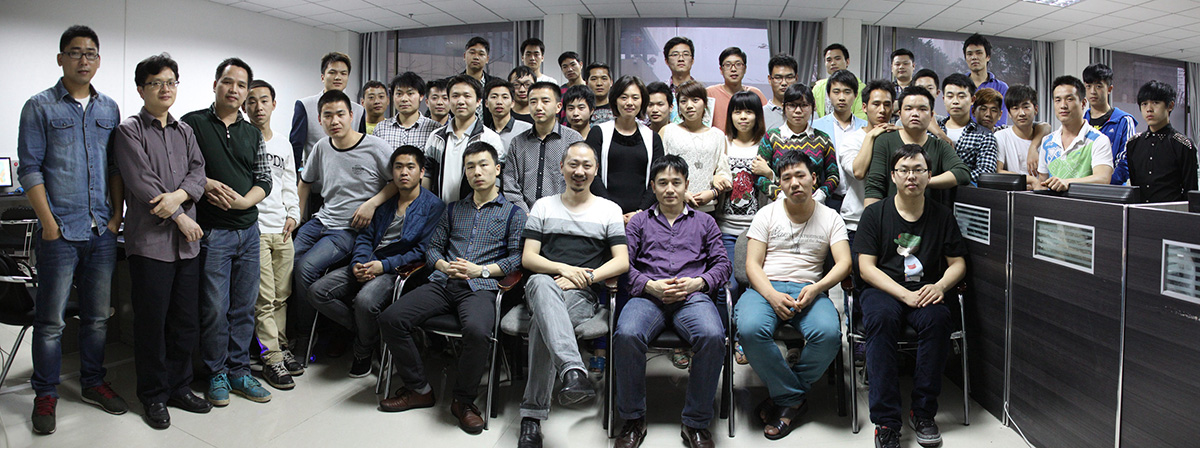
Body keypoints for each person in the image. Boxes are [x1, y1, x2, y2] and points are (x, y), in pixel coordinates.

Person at [18, 25, 127, 434]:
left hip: (101, 231)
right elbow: (29, 168)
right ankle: (45, 393)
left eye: (91, 53)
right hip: (60, 232)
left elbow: (115, 167)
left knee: (97, 317)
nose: (84, 60)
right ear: (61, 58)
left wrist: (115, 217)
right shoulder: (39, 107)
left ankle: (93, 382)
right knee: (51, 322)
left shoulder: (109, 108)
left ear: (98, 60)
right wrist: (49, 224)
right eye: (76, 52)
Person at [376, 142, 526, 436]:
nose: (477, 172)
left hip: (481, 287)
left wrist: (480, 270)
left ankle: (463, 401)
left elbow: (516, 259)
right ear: (465, 173)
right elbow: (433, 248)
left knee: (478, 332)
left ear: (497, 169)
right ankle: (419, 388)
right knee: (391, 318)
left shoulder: (513, 213)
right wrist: (443, 265)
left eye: (483, 165)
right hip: (444, 283)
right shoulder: (453, 209)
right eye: (470, 167)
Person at [112, 53, 210, 429]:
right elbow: (141, 182)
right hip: (150, 244)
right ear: (141, 89)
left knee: (185, 321)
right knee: (151, 323)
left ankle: (180, 387)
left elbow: (198, 172)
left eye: (170, 82)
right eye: (156, 83)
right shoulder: (129, 131)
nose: (165, 89)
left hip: (187, 246)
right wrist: (181, 216)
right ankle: (153, 394)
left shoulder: (185, 131)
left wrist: (180, 198)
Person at [612, 155, 731, 449]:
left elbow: (723, 264)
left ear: (686, 185)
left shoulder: (705, 222)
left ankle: (696, 423)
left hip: (692, 297)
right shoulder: (638, 222)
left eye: (676, 182)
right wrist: (649, 285)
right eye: (662, 183)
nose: (669, 189)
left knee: (713, 335)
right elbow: (624, 266)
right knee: (626, 334)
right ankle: (633, 419)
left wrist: (698, 282)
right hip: (648, 297)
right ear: (652, 186)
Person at [517, 143, 629, 448]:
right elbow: (529, 258)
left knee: (542, 323)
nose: (579, 171)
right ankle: (573, 369)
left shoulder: (609, 209)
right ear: (562, 168)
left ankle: (531, 418)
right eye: (573, 164)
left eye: (586, 165)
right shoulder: (543, 206)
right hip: (543, 285)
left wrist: (587, 277)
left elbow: (622, 261)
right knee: (542, 285)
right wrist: (564, 269)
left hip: (582, 294)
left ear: (596, 170)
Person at [855, 144, 967, 449]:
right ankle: (887, 421)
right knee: (880, 319)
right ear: (893, 176)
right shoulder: (875, 214)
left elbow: (958, 263)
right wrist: (904, 294)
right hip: (883, 290)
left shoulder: (942, 216)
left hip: (926, 289)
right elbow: (866, 268)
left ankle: (923, 413)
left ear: (929, 176)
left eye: (918, 170)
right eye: (904, 170)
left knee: (939, 320)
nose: (911, 176)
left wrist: (940, 287)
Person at [735, 150, 850, 440]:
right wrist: (772, 295)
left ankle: (782, 395)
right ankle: (792, 399)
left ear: (814, 179)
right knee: (749, 330)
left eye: (800, 175)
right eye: (786, 178)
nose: (794, 183)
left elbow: (844, 263)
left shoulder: (831, 217)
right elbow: (752, 265)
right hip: (766, 287)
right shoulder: (767, 213)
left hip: (809, 289)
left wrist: (818, 287)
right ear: (780, 183)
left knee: (828, 334)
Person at [181, 58, 274, 406]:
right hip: (213, 233)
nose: (234, 90)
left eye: (241, 85)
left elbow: (264, 178)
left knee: (244, 308)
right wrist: (204, 183)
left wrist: (243, 202)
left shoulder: (252, 133)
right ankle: (216, 372)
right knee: (215, 310)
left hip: (248, 232)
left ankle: (240, 371)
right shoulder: (192, 124)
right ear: (215, 84)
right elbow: (178, 169)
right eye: (228, 82)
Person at [309, 145, 444, 377]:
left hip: (397, 270)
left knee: (365, 301)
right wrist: (358, 263)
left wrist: (384, 266)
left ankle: (362, 350)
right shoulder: (383, 201)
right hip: (368, 261)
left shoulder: (434, 206)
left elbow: (423, 251)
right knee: (317, 292)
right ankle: (371, 333)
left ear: (422, 172)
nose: (404, 172)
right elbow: (365, 237)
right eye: (398, 167)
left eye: (410, 167)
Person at [292, 90, 397, 356]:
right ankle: (305, 330)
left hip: (348, 229)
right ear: (320, 120)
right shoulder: (321, 146)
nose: (334, 121)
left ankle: (313, 335)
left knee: (305, 269)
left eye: (340, 114)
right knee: (287, 262)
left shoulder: (375, 146)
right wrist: (296, 217)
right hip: (320, 221)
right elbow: (305, 182)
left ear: (351, 115)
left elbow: (397, 182)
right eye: (327, 116)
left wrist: (372, 203)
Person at [243, 79, 304, 390]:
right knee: (264, 299)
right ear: (244, 106)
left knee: (282, 296)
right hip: (255, 229)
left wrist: (293, 215)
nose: (258, 107)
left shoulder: (283, 143)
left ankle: (279, 346)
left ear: (274, 104)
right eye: (252, 101)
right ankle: (271, 358)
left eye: (264, 100)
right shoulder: (241, 141)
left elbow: (289, 184)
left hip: (282, 230)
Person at [864, 87, 970, 206]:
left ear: (931, 116)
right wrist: (871, 216)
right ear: (900, 114)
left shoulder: (940, 146)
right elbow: (875, 186)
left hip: (930, 214)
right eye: (908, 108)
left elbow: (962, 173)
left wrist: (923, 180)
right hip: (891, 214)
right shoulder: (884, 141)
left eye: (922, 109)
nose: (915, 114)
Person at [585, 75, 665, 221]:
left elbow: (658, 178)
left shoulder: (652, 138)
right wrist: (612, 211)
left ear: (642, 101)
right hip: (603, 215)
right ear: (615, 100)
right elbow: (592, 174)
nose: (629, 103)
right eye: (624, 97)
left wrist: (640, 212)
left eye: (635, 98)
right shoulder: (599, 133)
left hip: (642, 217)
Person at [502, 81, 584, 212]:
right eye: (533, 102)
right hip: (525, 215)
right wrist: (525, 214)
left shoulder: (573, 139)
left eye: (545, 101)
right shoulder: (518, 142)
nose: (538, 107)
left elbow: (580, 179)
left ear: (558, 107)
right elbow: (510, 183)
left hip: (564, 214)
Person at [422, 75, 505, 204]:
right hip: (439, 211)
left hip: (474, 211)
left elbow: (497, 180)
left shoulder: (490, 138)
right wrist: (427, 206)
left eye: (467, 96)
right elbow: (428, 174)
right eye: (455, 96)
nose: (461, 101)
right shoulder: (436, 137)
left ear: (478, 101)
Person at [718, 91, 768, 300]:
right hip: (726, 229)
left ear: (758, 115)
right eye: (737, 112)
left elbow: (779, 184)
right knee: (728, 286)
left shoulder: (765, 145)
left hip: (756, 231)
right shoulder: (723, 143)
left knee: (753, 286)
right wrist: (715, 178)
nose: (743, 117)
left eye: (749, 112)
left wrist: (769, 173)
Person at [757, 83, 838, 203]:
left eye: (804, 105)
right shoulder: (772, 137)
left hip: (814, 204)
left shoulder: (823, 139)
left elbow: (833, 175)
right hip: (779, 205)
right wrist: (778, 194)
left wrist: (822, 193)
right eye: (792, 105)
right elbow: (758, 175)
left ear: (813, 107)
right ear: (784, 107)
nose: (798, 111)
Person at [660, 80, 731, 214]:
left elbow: (724, 173)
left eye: (695, 100)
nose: (689, 106)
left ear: (705, 104)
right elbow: (659, 170)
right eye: (683, 101)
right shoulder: (668, 131)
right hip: (672, 206)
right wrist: (681, 193)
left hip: (708, 208)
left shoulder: (718, 135)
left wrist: (713, 193)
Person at [1035, 76, 1114, 192]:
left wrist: (1068, 182)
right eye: (1058, 100)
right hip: (1053, 203)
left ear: (1083, 103)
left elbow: (1103, 178)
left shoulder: (1098, 140)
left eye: (1069, 99)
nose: (1063, 105)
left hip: (1084, 203)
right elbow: (1042, 182)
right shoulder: (1047, 141)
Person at [1126, 80, 1199, 202]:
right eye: (1144, 104)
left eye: (1155, 103)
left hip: (1171, 211)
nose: (1149, 109)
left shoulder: (1183, 145)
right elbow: (1135, 187)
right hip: (1139, 210)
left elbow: (1191, 192)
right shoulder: (1133, 144)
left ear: (1170, 106)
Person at [289, 52, 364, 168]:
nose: (338, 77)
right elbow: (296, 147)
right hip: (316, 174)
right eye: (332, 72)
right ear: (323, 77)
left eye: (343, 73)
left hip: (349, 173)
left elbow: (362, 147)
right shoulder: (305, 106)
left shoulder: (359, 110)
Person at [846, 80, 897, 245]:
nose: (882, 110)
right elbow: (858, 172)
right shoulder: (852, 140)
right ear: (864, 107)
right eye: (876, 104)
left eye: (887, 105)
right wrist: (871, 136)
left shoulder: (898, 137)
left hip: (892, 221)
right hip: (857, 221)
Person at [929, 73, 998, 184]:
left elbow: (986, 172)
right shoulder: (931, 132)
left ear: (972, 100)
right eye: (950, 96)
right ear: (943, 99)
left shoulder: (984, 136)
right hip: (929, 191)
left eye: (961, 96)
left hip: (964, 193)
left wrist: (949, 180)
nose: (955, 101)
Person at [1082, 63, 1138, 185]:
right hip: (1081, 188)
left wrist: (1103, 182)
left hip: (1111, 189)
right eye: (1088, 86)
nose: (1092, 91)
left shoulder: (1124, 120)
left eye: (1098, 86)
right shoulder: (1082, 121)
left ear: (1109, 89)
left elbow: (1125, 161)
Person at [994, 85, 1050, 188]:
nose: (1021, 113)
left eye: (1026, 107)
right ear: (1009, 113)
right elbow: (998, 171)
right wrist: (1030, 180)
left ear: (1035, 109)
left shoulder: (1047, 138)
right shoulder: (1001, 137)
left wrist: (1033, 147)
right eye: (1015, 108)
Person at [706, 47, 768, 134]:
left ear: (745, 68)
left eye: (738, 64)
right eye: (728, 65)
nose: (733, 69)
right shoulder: (710, 93)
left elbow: (764, 123)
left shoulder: (755, 94)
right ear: (721, 70)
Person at [374, 72, 439, 150]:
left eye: (410, 93)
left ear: (421, 96)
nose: (404, 99)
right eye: (399, 94)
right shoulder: (381, 129)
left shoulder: (434, 129)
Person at [813, 70, 868, 157]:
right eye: (836, 92)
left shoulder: (866, 127)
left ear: (856, 95)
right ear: (828, 95)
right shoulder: (815, 127)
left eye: (847, 92)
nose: (841, 98)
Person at [662, 36, 713, 127]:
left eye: (685, 54)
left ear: (692, 60)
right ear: (666, 61)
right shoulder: (661, 91)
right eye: (675, 54)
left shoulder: (703, 92)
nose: (681, 59)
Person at [963, 33, 1009, 127]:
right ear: (966, 58)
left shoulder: (1001, 87)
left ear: (988, 57)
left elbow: (1000, 122)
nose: (974, 57)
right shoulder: (959, 86)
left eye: (979, 53)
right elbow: (954, 119)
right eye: (969, 54)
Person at [812, 44, 866, 120]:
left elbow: (861, 116)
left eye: (837, 59)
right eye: (829, 60)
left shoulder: (861, 87)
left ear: (847, 62)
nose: (833, 63)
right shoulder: (818, 88)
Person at [484, 79, 533, 153]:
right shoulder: (484, 133)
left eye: (505, 97)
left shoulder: (527, 130)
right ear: (486, 103)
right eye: (494, 97)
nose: (499, 102)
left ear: (512, 103)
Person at [764, 54, 799, 131]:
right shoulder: (760, 115)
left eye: (789, 77)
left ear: (796, 78)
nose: (784, 83)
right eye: (778, 78)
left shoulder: (807, 113)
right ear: (770, 79)